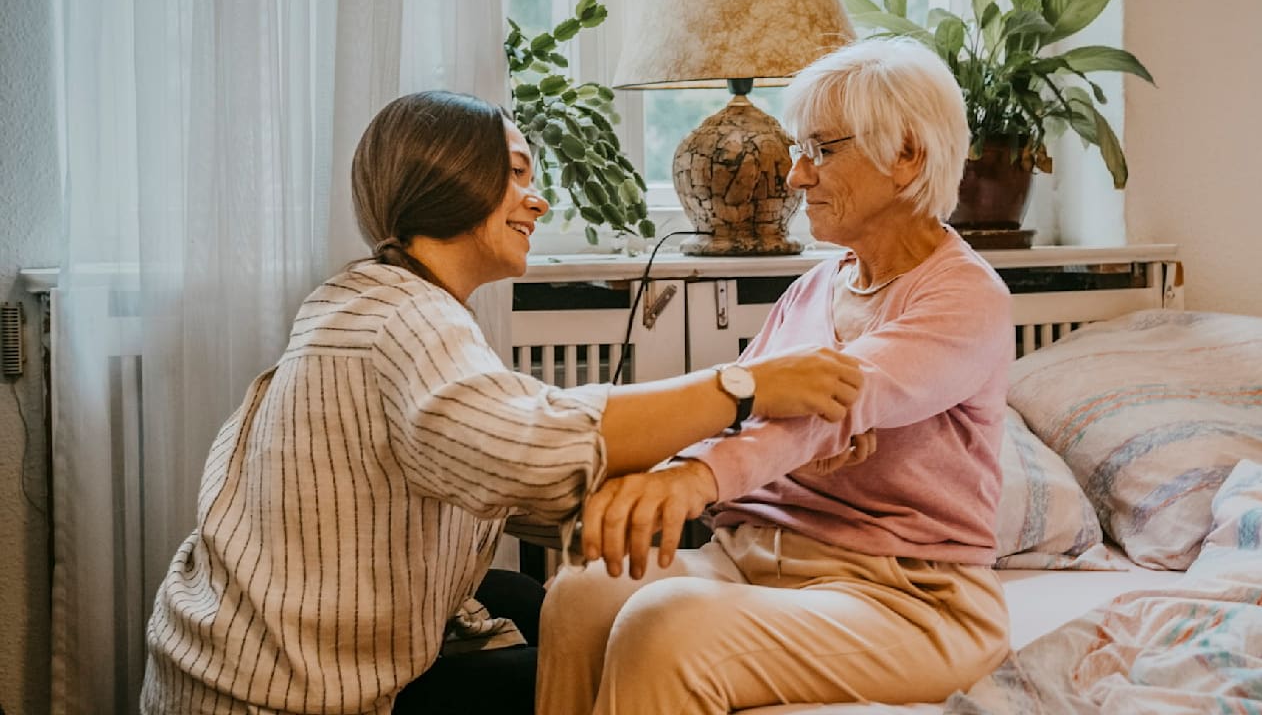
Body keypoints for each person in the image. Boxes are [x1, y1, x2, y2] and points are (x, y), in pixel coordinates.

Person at [138, 90, 866, 715]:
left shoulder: (371, 298)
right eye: (516, 174)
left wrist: (692, 495)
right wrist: (744, 389)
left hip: (234, 661)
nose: (538, 199)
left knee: (520, 591)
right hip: (277, 696)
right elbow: (531, 444)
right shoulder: (407, 321)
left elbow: (503, 462)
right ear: (449, 175)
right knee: (618, 667)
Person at [536, 37, 1016, 715]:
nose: (795, 176)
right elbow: (742, 406)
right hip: (756, 556)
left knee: (665, 629)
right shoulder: (815, 287)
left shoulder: (965, 298)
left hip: (907, 597)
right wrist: (643, 478)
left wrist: (694, 480)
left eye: (821, 150)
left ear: (906, 155)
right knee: (582, 593)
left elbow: (832, 403)